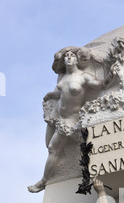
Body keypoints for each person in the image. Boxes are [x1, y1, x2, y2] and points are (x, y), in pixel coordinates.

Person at [28, 48, 104, 193]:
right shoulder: (63, 78)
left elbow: (100, 85)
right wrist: (49, 96)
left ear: (77, 60)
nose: (69, 58)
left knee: (89, 149)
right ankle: (44, 181)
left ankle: (99, 173)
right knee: (52, 149)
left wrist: (114, 73)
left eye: (71, 56)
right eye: (66, 56)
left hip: (76, 123)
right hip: (62, 123)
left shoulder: (84, 76)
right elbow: (58, 94)